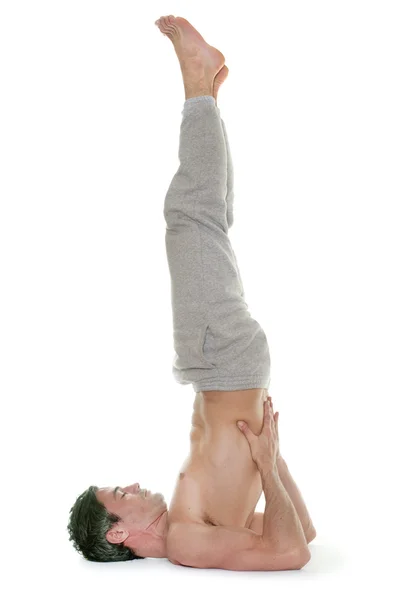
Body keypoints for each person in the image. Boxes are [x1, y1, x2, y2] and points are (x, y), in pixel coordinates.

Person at [67, 15, 316, 570]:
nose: (132, 484)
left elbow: (305, 530)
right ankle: (198, 84)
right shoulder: (183, 541)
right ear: (123, 533)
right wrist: (267, 465)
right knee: (190, 218)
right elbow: (293, 550)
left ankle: (209, 99)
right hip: (219, 362)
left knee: (208, 223)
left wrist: (270, 460)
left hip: (223, 368)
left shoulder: (193, 525)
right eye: (121, 496)